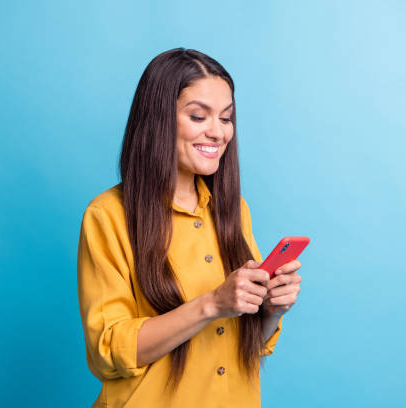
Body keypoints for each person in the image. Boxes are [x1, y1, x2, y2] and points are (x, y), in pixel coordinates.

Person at [77, 48, 302, 407]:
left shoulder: (233, 211)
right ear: (158, 119)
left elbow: (241, 345)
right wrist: (211, 304)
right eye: (199, 116)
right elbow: (109, 350)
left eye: (226, 118)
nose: (218, 132)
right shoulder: (108, 216)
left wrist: (271, 309)